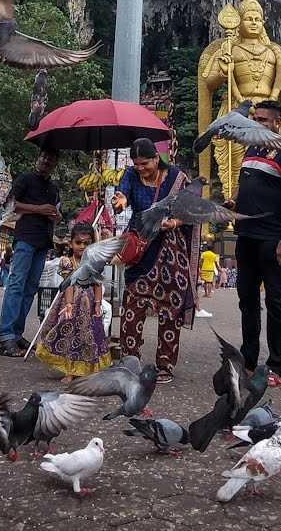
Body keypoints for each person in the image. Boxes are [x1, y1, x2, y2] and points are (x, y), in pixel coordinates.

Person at [233, 100, 281, 389]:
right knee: (247, 300)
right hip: (248, 236)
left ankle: (276, 365)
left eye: (265, 120)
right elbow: (249, 186)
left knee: (276, 301)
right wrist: (235, 201)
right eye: (256, 118)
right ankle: (248, 359)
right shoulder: (251, 149)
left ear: (277, 123)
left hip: (274, 238)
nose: (258, 123)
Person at [112, 137, 198, 383]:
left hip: (171, 252)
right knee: (132, 306)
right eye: (136, 163)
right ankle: (130, 361)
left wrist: (174, 222)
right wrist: (121, 202)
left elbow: (189, 210)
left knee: (170, 309)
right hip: (141, 247)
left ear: (156, 158)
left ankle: (165, 364)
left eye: (145, 163)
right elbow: (124, 194)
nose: (140, 168)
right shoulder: (130, 175)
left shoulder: (177, 178)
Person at [0, 148, 62, 357]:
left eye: (50, 158)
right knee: (16, 284)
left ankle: (17, 333)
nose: (46, 160)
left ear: (54, 164)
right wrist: (38, 209)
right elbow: (11, 205)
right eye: (43, 156)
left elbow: (53, 212)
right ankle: (6, 336)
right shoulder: (25, 179)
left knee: (31, 287)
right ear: (38, 158)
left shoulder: (53, 188)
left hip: (43, 241)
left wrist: (55, 215)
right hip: (25, 238)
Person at [35, 221, 111, 383]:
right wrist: (69, 305)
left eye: (87, 243)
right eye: (78, 243)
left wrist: (98, 304)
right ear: (71, 244)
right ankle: (69, 370)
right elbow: (68, 285)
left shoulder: (95, 262)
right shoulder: (67, 262)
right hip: (70, 304)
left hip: (89, 306)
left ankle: (88, 369)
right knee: (69, 335)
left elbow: (98, 284)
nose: (82, 247)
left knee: (89, 336)